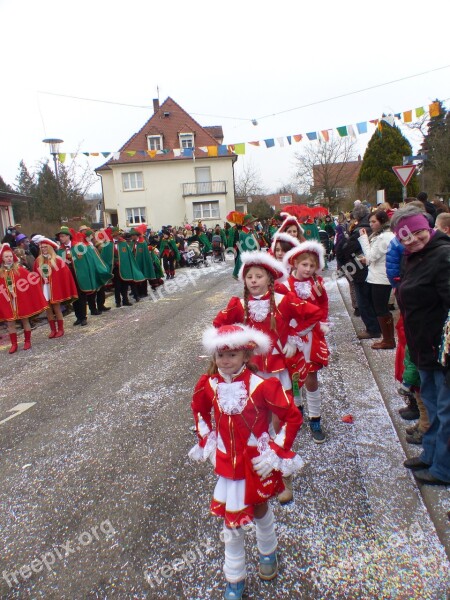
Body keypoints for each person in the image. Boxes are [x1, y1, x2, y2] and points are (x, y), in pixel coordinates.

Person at [189, 324, 303, 599]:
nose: (225, 361)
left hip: (256, 463)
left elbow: (292, 416)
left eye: (232, 355)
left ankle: (268, 552)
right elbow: (199, 410)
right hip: (229, 466)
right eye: (220, 355)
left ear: (246, 356)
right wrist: (208, 439)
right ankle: (235, 576)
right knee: (232, 523)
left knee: (261, 509)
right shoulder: (209, 384)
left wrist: (275, 449)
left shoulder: (262, 385)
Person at [392, 206, 450, 485]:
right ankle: (431, 455)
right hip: (422, 347)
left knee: (445, 411)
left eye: (418, 233)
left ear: (427, 227)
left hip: (442, 351)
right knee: (431, 404)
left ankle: (443, 469)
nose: (413, 240)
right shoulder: (413, 256)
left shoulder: (443, 255)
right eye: (406, 238)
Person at [282, 242, 330, 443]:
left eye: (312, 266)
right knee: (293, 374)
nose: (308, 269)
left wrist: (322, 322)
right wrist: (289, 336)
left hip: (311, 336)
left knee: (311, 375)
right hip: (292, 338)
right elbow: (281, 313)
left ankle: (315, 417)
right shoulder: (284, 285)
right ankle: (297, 408)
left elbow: (323, 306)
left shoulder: (317, 284)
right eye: (304, 265)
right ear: (294, 263)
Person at [336, 203, 381, 340]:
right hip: (373, 268)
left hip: (360, 268)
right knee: (372, 299)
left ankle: (372, 329)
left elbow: (348, 248)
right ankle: (377, 326)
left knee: (363, 300)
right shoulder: (373, 229)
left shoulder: (359, 230)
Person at [358, 209, 396, 349]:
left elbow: (370, 257)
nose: (371, 224)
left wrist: (363, 238)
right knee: (380, 308)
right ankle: (387, 338)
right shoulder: (382, 235)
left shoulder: (384, 237)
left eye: (374, 221)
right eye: (370, 221)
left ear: (382, 221)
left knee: (381, 309)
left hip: (380, 278)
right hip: (379, 276)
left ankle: (388, 339)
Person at [0, 244, 48, 353]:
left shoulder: (20, 270)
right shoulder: (1, 274)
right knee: (10, 323)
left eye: (11, 256)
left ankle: (27, 341)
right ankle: (14, 344)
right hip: (8, 301)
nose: (9, 259)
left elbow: (32, 281)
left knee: (25, 320)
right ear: (2, 259)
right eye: (6, 257)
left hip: (20, 300)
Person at [34, 237, 78, 338]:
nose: (43, 249)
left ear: (49, 247)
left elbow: (64, 273)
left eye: (45, 247)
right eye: (41, 247)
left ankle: (61, 329)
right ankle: (53, 329)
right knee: (48, 309)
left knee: (57, 308)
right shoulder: (38, 260)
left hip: (54, 288)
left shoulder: (57, 259)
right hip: (44, 288)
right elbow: (35, 275)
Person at [232, 214, 259, 280]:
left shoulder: (253, 231)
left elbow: (255, 243)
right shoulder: (243, 233)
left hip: (255, 257)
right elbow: (244, 249)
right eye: (253, 221)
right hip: (249, 259)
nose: (254, 223)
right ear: (248, 223)